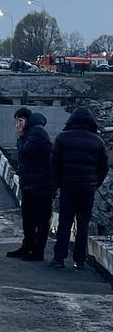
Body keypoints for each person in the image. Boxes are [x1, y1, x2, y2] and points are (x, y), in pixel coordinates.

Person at [50, 108, 109, 269]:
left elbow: (54, 164)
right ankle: (80, 260)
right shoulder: (98, 141)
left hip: (68, 188)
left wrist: (59, 183)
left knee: (64, 223)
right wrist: (94, 183)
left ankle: (59, 259)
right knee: (83, 225)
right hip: (87, 190)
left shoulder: (62, 138)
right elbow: (103, 167)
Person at [7, 107, 54, 262]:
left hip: (41, 184)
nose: (16, 125)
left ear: (24, 120)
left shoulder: (37, 133)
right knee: (28, 218)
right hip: (31, 183)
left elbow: (26, 152)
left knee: (41, 220)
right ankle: (27, 246)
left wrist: (20, 136)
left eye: (18, 121)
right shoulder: (33, 132)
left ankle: (37, 252)